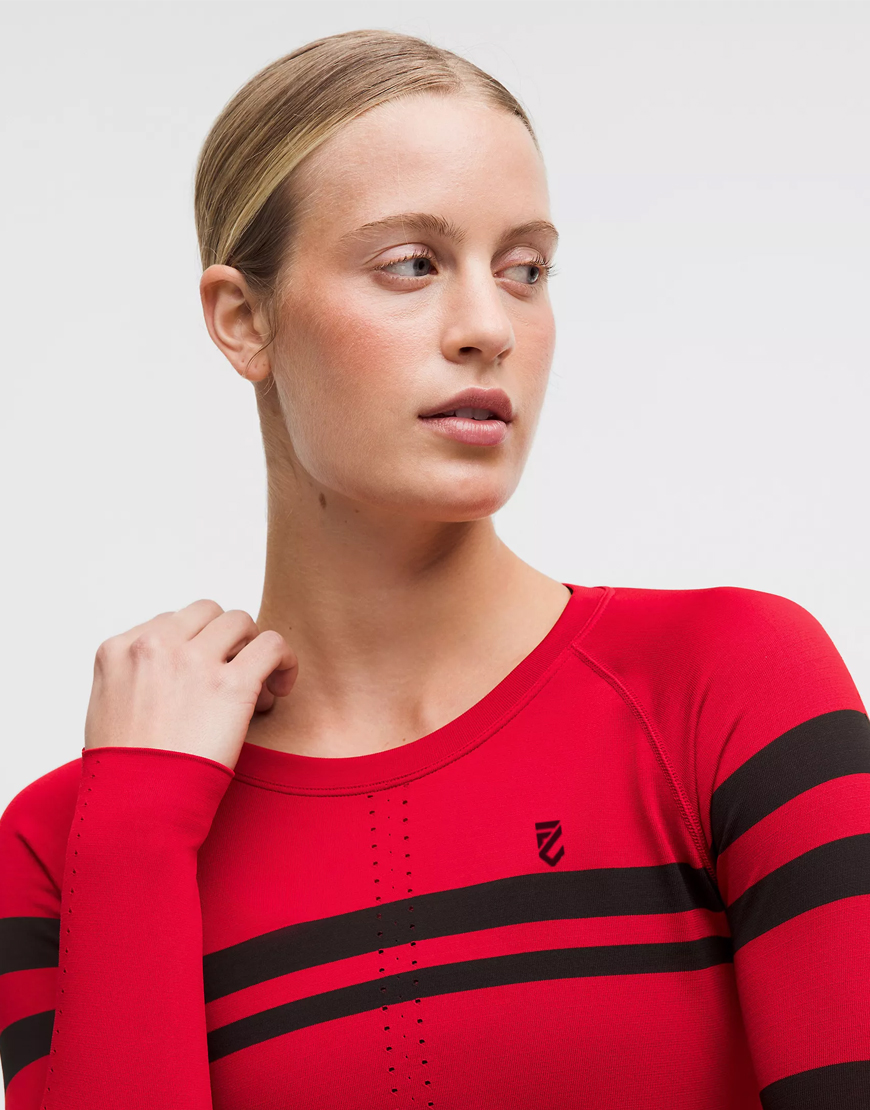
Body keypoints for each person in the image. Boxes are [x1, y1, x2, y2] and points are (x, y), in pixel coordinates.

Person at [1, 28, 868, 1110]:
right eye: (411, 264)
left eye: (525, 270)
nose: (488, 328)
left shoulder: (726, 687)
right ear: (243, 318)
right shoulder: (71, 841)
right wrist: (136, 829)